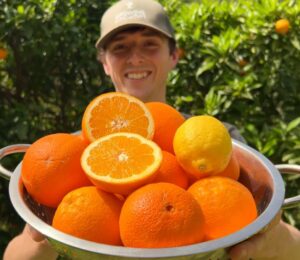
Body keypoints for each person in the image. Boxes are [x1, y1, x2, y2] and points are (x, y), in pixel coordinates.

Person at [4, 0, 300, 259]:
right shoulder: (82, 153)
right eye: (120, 48)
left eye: (150, 44)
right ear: (104, 63)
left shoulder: (216, 137)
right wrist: (52, 235)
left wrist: (265, 238)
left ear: (174, 55)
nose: (135, 57)